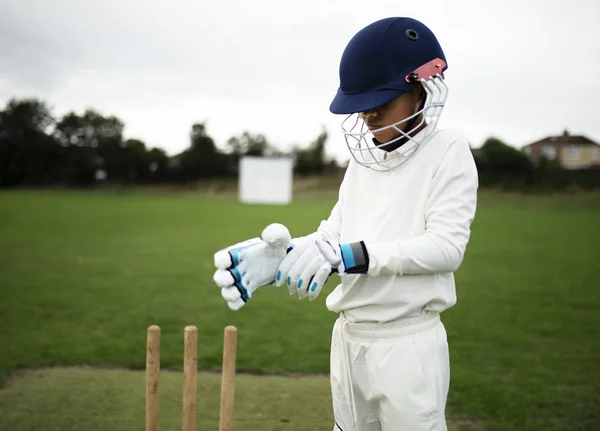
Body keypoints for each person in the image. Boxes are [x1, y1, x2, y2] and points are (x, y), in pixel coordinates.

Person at [213, 16, 478, 431]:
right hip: (348, 340)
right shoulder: (363, 162)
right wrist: (279, 260)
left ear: (420, 89)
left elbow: (446, 248)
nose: (369, 119)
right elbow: (331, 239)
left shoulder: (448, 150)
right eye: (362, 108)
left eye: (381, 104)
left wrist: (349, 256)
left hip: (407, 342)